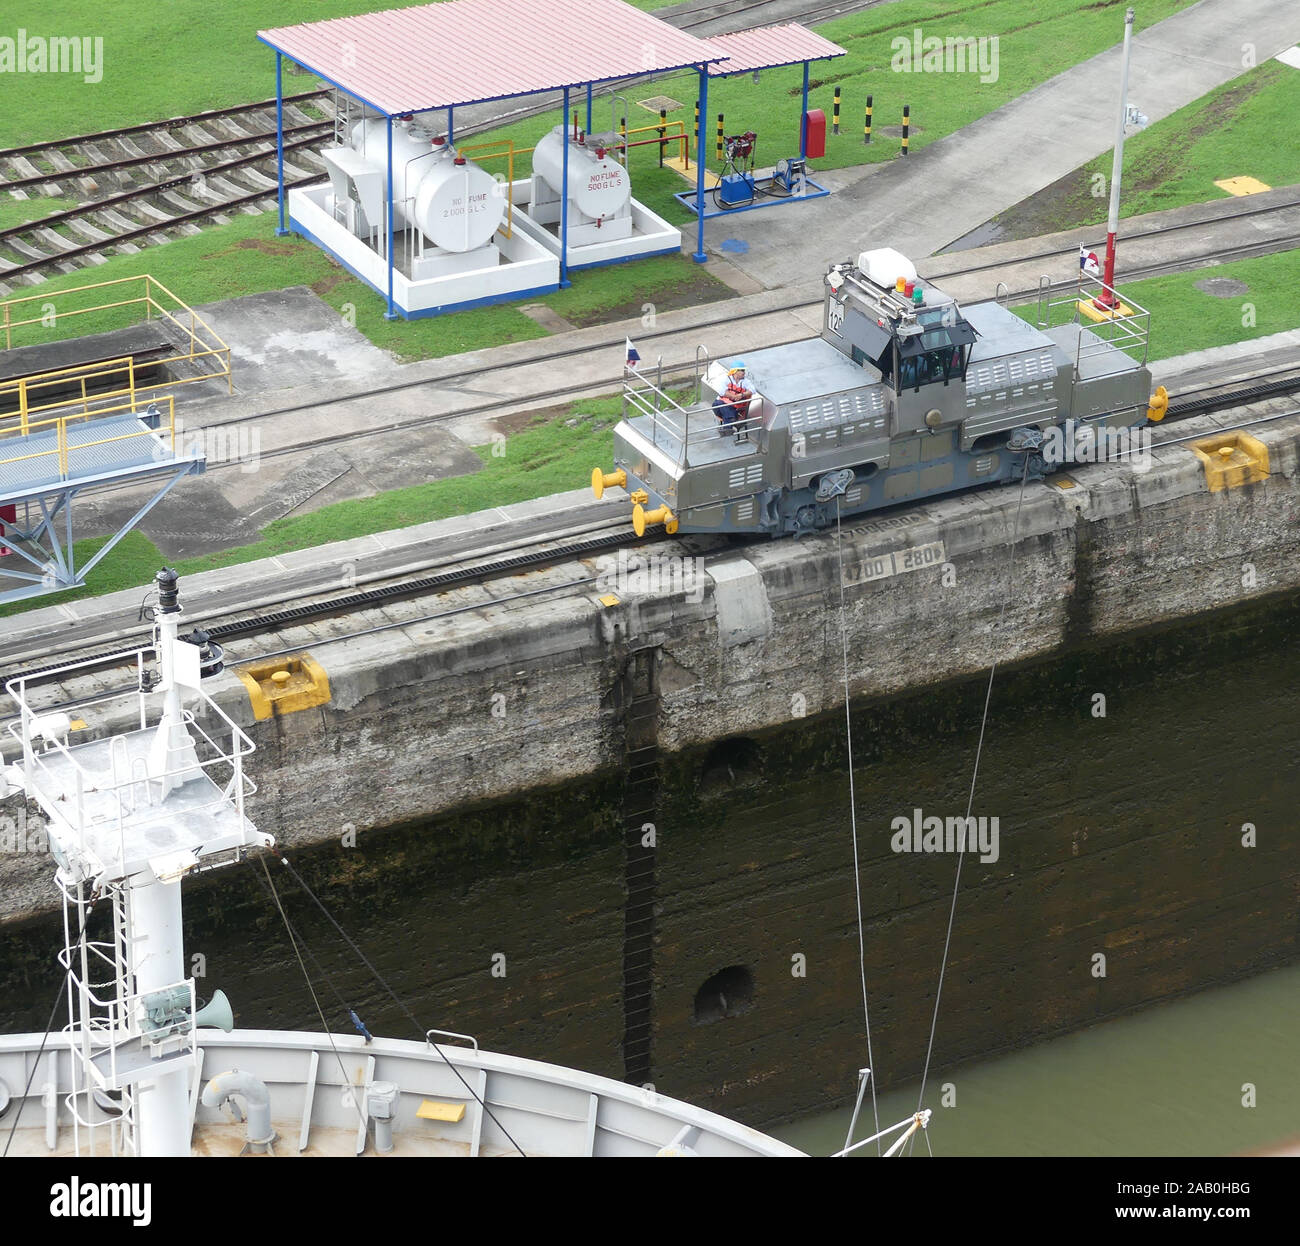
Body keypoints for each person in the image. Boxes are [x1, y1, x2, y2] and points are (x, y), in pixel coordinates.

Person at [712, 364, 752, 436]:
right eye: (742, 370)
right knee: (716, 404)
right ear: (735, 371)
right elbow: (721, 391)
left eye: (744, 370)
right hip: (723, 405)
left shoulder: (745, 382)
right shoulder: (726, 379)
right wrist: (733, 396)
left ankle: (728, 426)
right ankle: (731, 419)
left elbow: (752, 390)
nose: (744, 372)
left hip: (735, 408)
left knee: (723, 406)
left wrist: (741, 395)